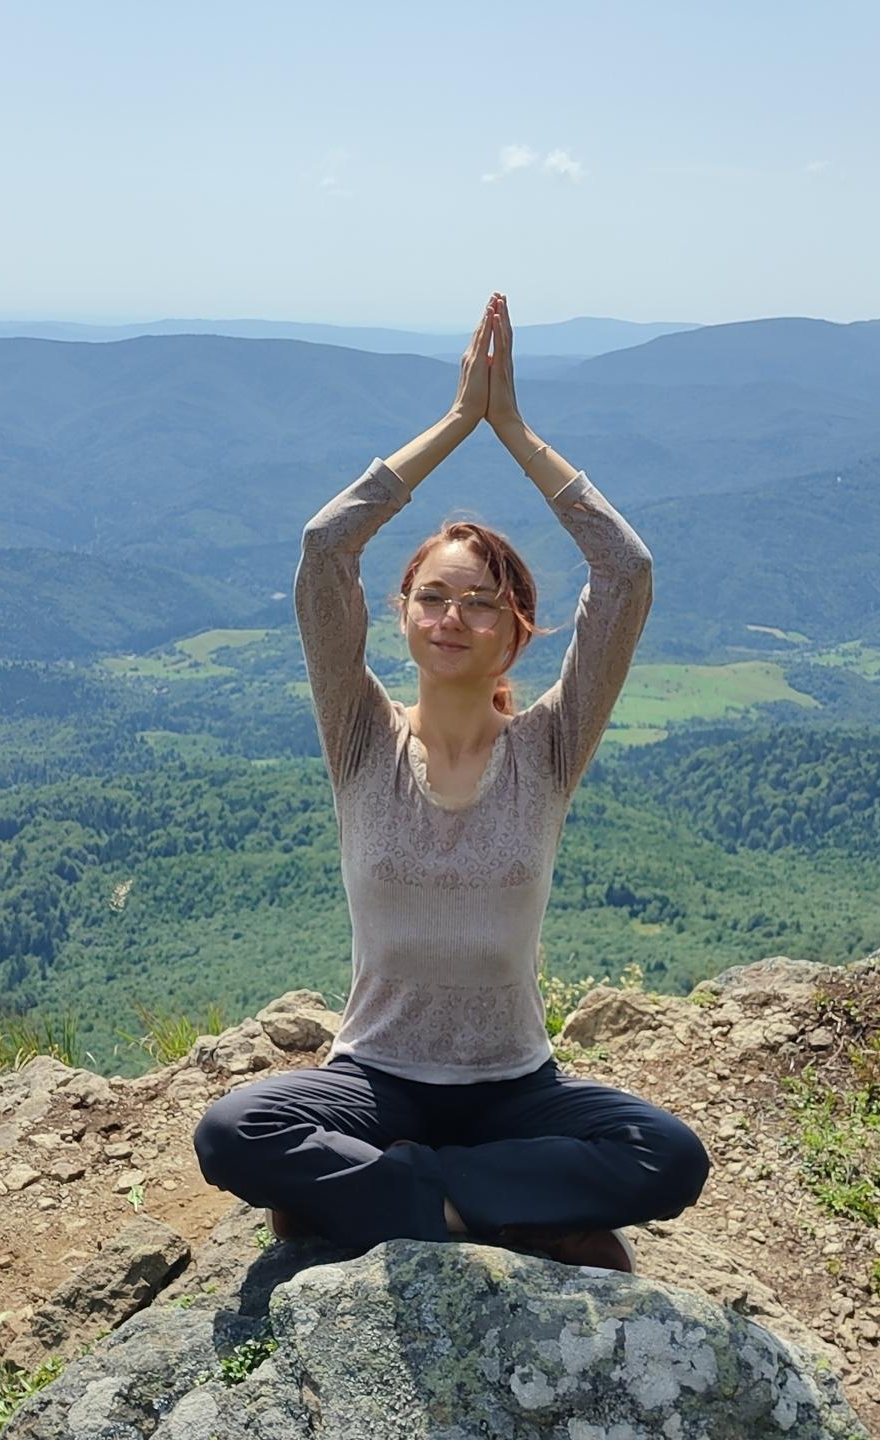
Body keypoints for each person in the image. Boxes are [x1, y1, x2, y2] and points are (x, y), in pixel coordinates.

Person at [193, 292, 710, 1273]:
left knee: (671, 1158)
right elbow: (324, 549)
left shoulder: (549, 749)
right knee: (232, 1132)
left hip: (515, 1086)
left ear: (517, 629)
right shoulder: (361, 738)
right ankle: (497, 1211)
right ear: (401, 613)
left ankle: (395, 1198)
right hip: (375, 1078)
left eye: (481, 602)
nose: (452, 616)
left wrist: (511, 429)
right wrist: (454, 422)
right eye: (432, 596)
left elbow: (626, 571)